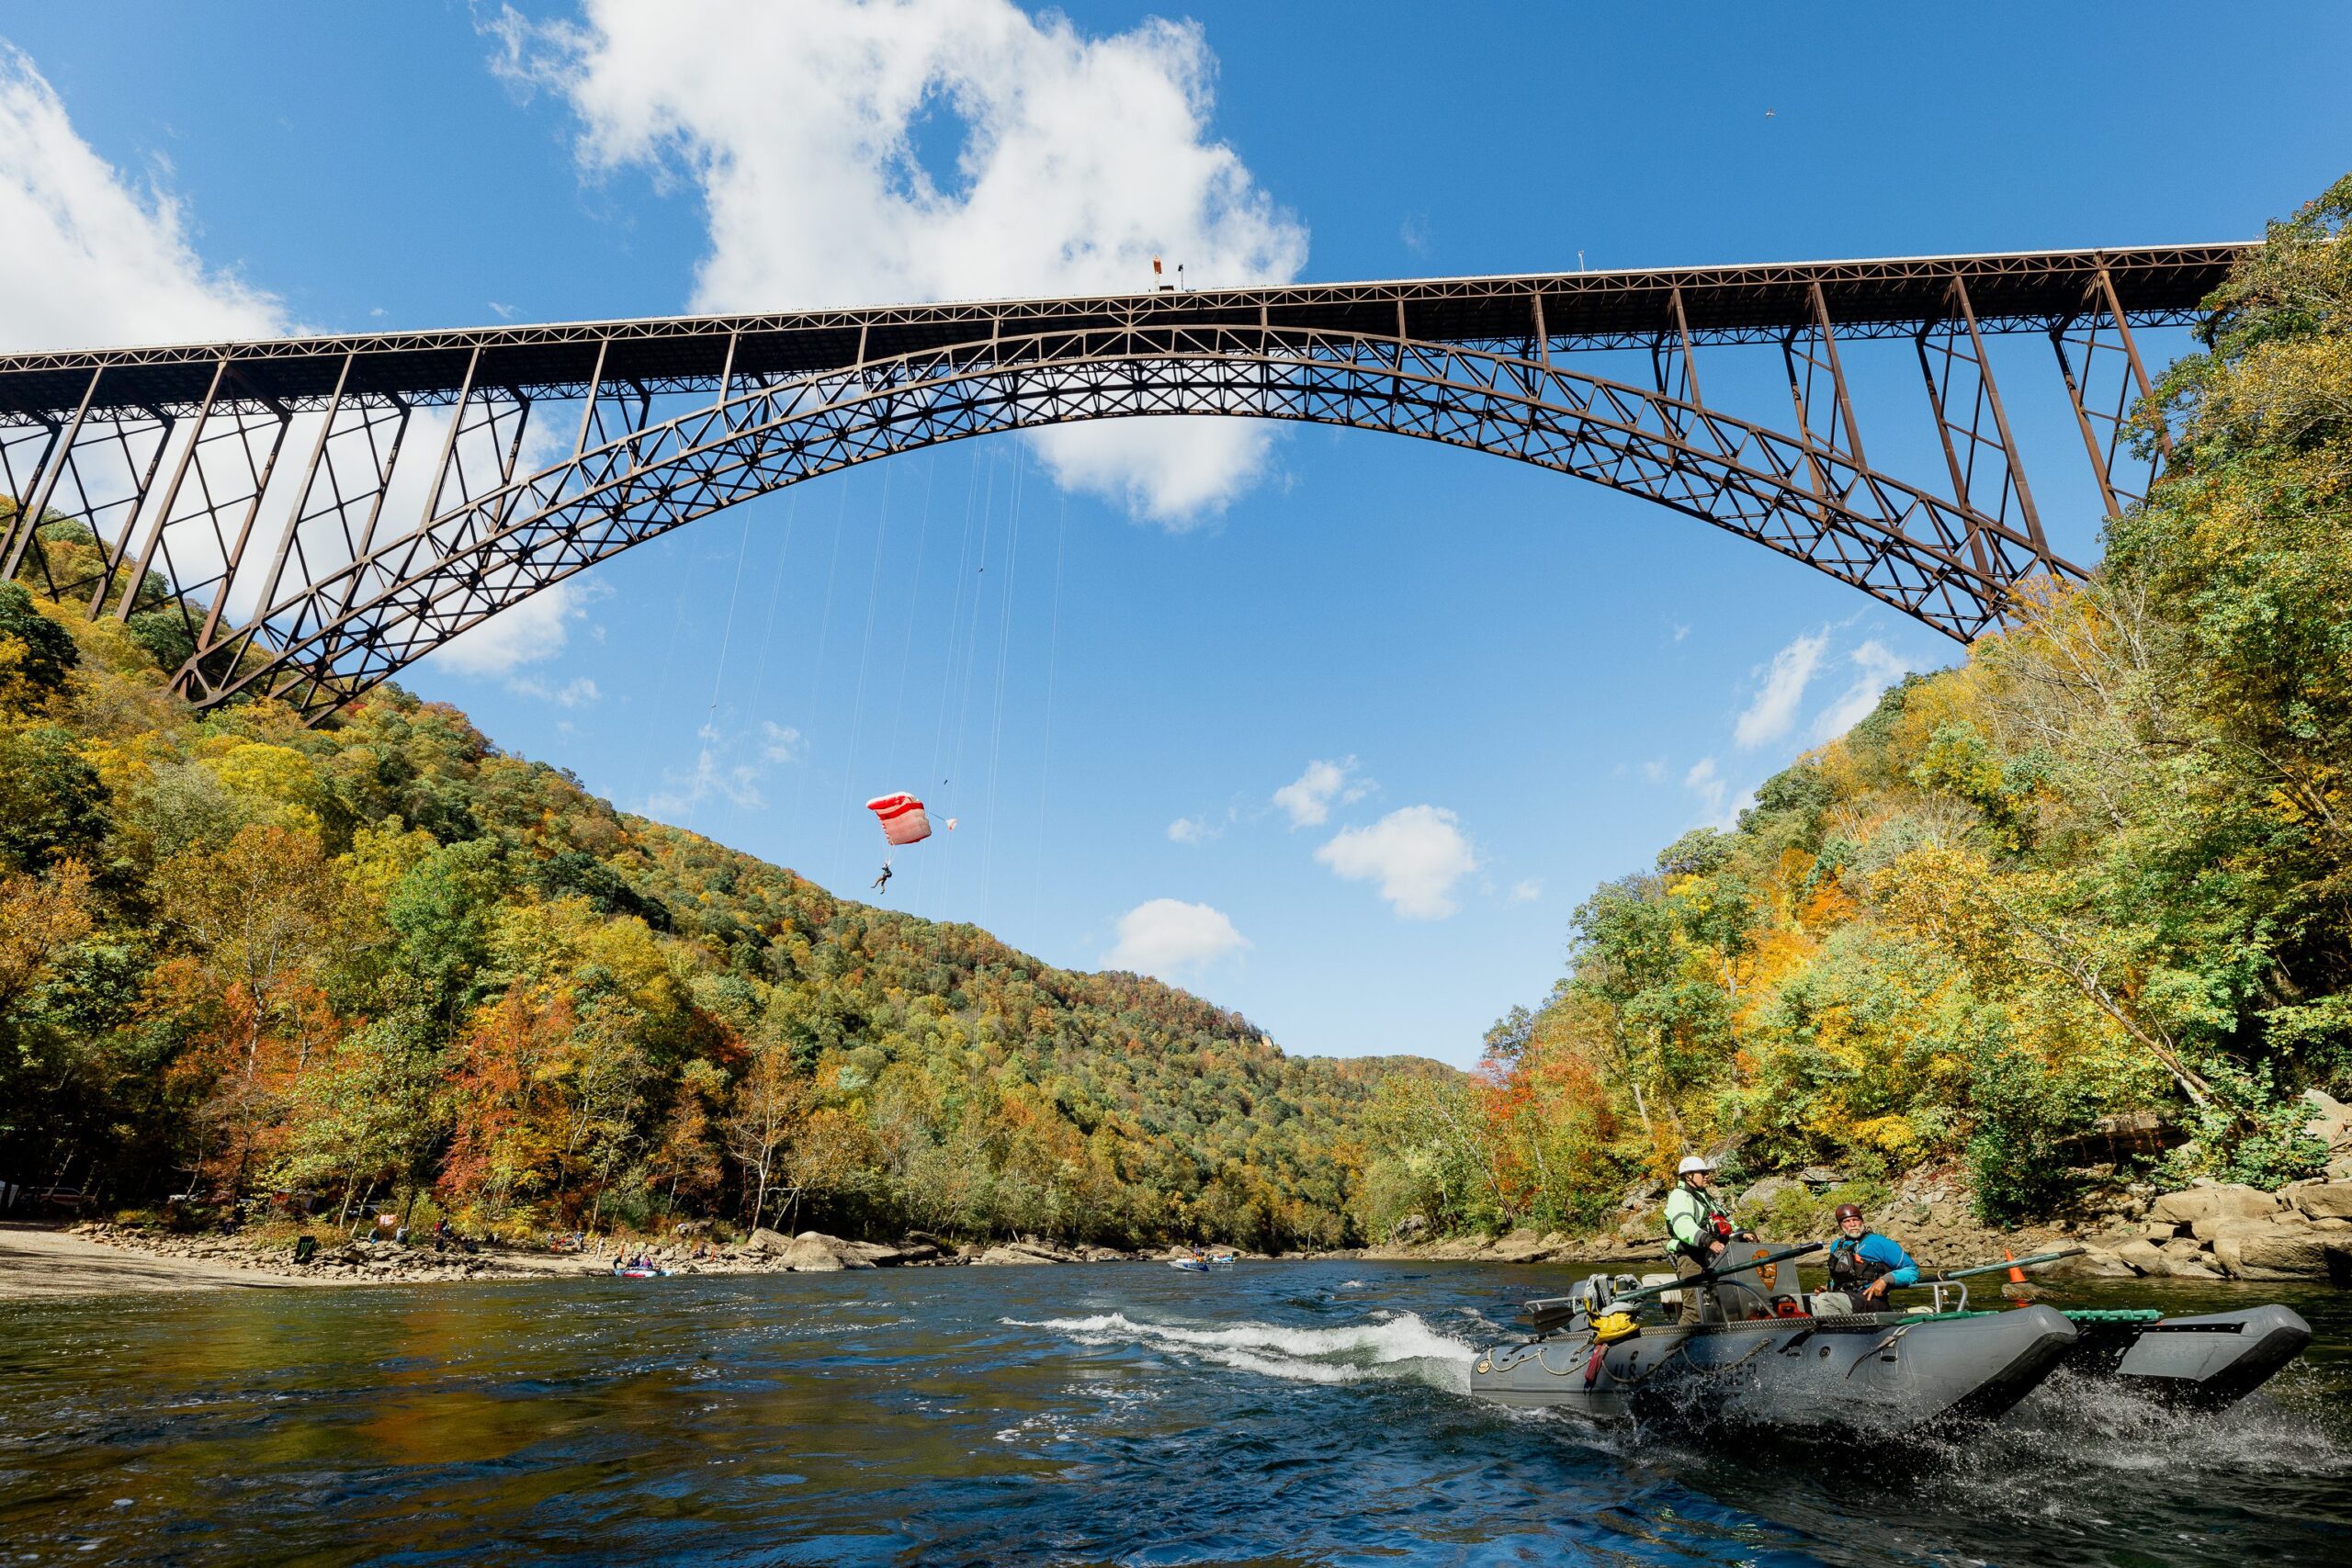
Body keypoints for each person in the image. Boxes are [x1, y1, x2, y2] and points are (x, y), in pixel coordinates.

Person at [1663, 1155, 1754, 1323]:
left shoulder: (1706, 1198)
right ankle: (1678, 1345)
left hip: (1713, 1258)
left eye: (1707, 1173)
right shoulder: (1679, 1196)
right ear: (1688, 1176)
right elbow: (1683, 1226)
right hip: (1691, 1259)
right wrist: (1708, 1241)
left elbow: (1724, 1222)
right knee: (1695, 1310)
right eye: (1702, 1173)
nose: (1707, 1176)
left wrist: (1742, 1232)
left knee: (1721, 1305)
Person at [1824, 1201, 1919, 1309]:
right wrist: (1828, 1288)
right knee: (1806, 1302)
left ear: (1861, 1221)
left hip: (1870, 1299)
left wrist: (1885, 1279)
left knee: (1825, 1301)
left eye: (1856, 1219)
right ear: (1840, 1225)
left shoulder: (1879, 1242)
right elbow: (1835, 1275)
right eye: (1847, 1221)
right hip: (1842, 1296)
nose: (1852, 1224)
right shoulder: (1836, 1245)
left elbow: (1912, 1271)